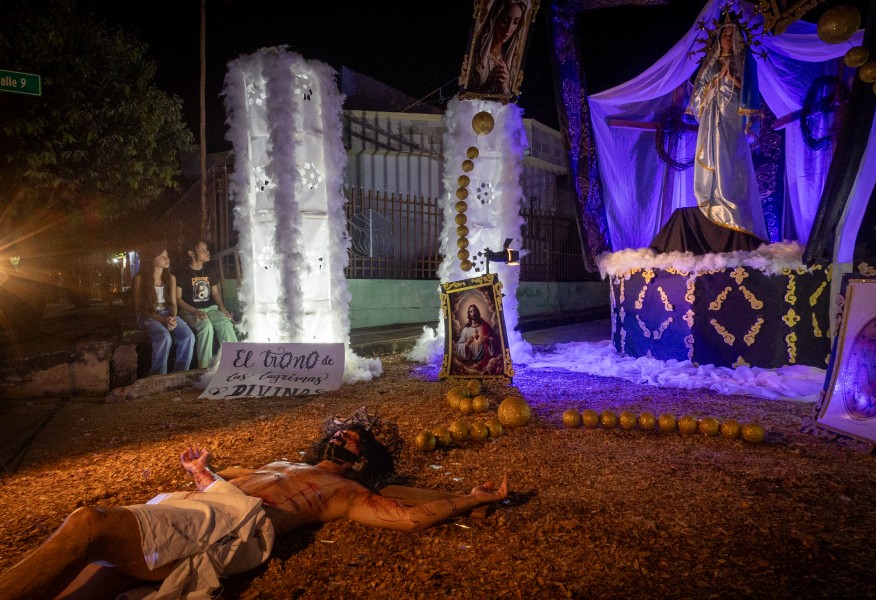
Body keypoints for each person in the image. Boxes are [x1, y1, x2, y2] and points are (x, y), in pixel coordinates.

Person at [0, 408, 508, 600]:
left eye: (355, 441)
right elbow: (226, 480)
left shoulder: (344, 493)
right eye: (342, 433)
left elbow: (408, 518)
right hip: (197, 506)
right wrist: (203, 473)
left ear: (362, 459)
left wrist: (469, 498)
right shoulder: (284, 464)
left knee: (88, 526)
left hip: (228, 525)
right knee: (93, 578)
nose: (344, 439)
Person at [686, 15, 769, 244]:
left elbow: (752, 93)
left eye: (731, 35)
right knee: (712, 154)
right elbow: (698, 95)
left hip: (733, 114)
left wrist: (733, 78)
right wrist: (714, 82)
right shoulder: (710, 64)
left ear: (737, 39)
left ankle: (733, 200)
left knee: (732, 156)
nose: (726, 38)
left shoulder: (744, 61)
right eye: (724, 34)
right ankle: (713, 199)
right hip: (712, 116)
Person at [173, 240, 238, 369]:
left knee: (225, 324)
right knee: (206, 327)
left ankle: (235, 363)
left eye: (207, 249)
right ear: (192, 253)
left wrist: (223, 310)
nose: (207, 252)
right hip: (190, 311)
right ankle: (204, 367)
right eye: (201, 250)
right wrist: (194, 311)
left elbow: (215, 294)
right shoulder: (181, 272)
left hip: (211, 309)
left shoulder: (210, 270)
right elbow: (178, 298)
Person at [132, 244, 195, 375]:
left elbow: (173, 303)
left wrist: (172, 318)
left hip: (167, 314)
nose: (167, 259)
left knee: (188, 336)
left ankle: (181, 373)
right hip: (148, 316)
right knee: (164, 337)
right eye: (162, 256)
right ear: (153, 260)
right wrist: (162, 320)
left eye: (167, 256)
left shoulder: (170, 278)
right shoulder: (140, 279)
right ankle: (158, 375)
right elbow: (140, 308)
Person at [469, 0, 528, 96]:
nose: (508, 29)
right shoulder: (477, 55)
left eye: (515, 22)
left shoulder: (512, 61)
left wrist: (504, 87)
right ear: (494, 19)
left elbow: (510, 99)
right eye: (505, 20)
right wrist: (488, 84)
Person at [454, 304, 501, 374]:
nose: (473, 313)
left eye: (474, 311)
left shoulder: (485, 326)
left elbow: (495, 340)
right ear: (469, 314)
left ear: (477, 312)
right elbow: (459, 346)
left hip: (485, 360)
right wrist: (466, 344)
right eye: (470, 311)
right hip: (471, 363)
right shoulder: (466, 329)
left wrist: (488, 340)